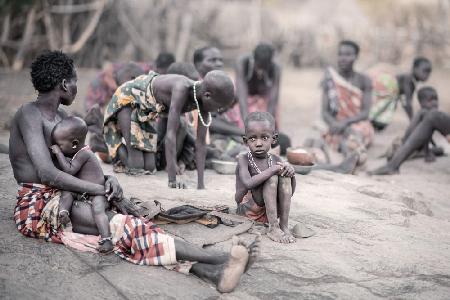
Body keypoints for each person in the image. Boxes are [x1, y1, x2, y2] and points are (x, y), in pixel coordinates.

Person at [9, 51, 261, 293]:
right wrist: (99, 189)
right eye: (75, 82)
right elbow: (46, 174)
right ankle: (222, 258)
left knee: (133, 221)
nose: (76, 88)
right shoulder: (30, 114)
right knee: (123, 226)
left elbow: (80, 164)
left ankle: (210, 272)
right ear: (64, 84)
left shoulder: (63, 117)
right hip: (38, 205)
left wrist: (108, 181)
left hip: (66, 193)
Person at [103, 70, 235, 188]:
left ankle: (127, 148)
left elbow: (200, 144)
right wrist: (172, 180)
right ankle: (116, 148)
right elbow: (170, 135)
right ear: (207, 96)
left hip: (146, 111)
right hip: (128, 99)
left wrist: (201, 185)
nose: (219, 111)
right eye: (219, 107)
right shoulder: (181, 89)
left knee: (150, 167)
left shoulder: (203, 105)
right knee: (136, 166)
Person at [50, 116, 114, 253]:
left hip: (98, 194)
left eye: (60, 145)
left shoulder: (84, 154)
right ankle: (63, 212)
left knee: (98, 211)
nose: (58, 147)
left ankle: (106, 239)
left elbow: (69, 170)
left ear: (74, 144)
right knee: (67, 192)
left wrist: (58, 153)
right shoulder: (78, 152)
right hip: (85, 191)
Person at [235, 112, 296, 244]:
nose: (258, 143)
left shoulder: (276, 159)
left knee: (284, 177)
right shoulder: (243, 159)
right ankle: (273, 228)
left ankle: (283, 225)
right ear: (245, 141)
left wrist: (291, 173)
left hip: (270, 210)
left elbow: (290, 192)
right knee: (272, 178)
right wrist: (273, 170)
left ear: (273, 139)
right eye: (252, 139)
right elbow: (248, 184)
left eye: (264, 138)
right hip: (248, 209)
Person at [370, 90, 450, 175]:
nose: (434, 103)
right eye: (431, 100)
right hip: (404, 146)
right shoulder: (423, 112)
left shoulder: (426, 113)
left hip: (410, 147)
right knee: (433, 117)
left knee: (434, 119)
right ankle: (393, 165)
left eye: (435, 100)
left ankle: (393, 165)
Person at [321, 40, 373, 166]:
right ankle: (352, 157)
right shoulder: (330, 80)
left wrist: (345, 123)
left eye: (348, 55)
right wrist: (335, 124)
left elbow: (365, 113)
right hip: (336, 123)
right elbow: (324, 112)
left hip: (357, 122)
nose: (343, 58)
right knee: (335, 137)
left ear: (356, 57)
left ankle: (351, 156)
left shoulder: (364, 80)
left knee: (355, 134)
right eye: (340, 54)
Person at [369, 57, 433, 130]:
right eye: (425, 71)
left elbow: (405, 103)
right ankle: (372, 121)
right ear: (414, 68)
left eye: (429, 72)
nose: (427, 75)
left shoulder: (410, 81)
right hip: (385, 89)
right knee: (385, 105)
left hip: (388, 92)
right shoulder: (408, 79)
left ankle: (373, 122)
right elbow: (407, 103)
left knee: (388, 105)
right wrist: (413, 121)